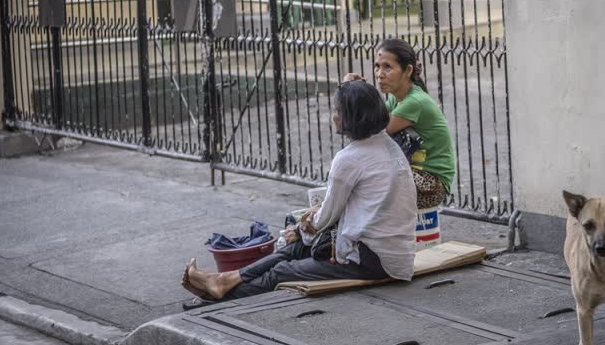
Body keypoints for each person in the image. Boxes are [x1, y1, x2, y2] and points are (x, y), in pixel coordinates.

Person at [181, 81, 417, 300]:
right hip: (397, 256)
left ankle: (218, 294)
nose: (333, 116)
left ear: (351, 116)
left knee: (284, 270)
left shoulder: (349, 158)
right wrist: (308, 225)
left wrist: (304, 224)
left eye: (336, 110)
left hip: (373, 260)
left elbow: (325, 219)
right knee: (295, 249)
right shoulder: (389, 145)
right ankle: (225, 279)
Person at [345, 38, 456, 210]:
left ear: (408, 70)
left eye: (387, 67)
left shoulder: (415, 102)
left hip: (432, 184)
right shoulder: (395, 99)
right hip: (412, 174)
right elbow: (372, 123)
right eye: (377, 66)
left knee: (364, 183)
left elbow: (371, 134)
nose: (379, 74)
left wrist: (349, 91)